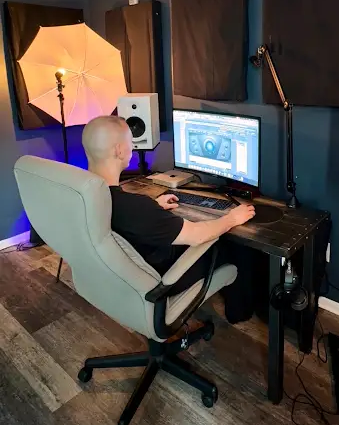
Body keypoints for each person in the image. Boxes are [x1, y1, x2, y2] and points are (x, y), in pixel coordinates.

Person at [81, 115, 255, 297]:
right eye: (130, 141)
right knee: (235, 248)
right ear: (119, 150)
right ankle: (239, 311)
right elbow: (198, 235)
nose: (132, 146)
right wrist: (232, 218)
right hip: (160, 280)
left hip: (119, 277)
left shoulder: (82, 196)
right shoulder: (135, 207)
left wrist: (153, 208)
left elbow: (130, 217)